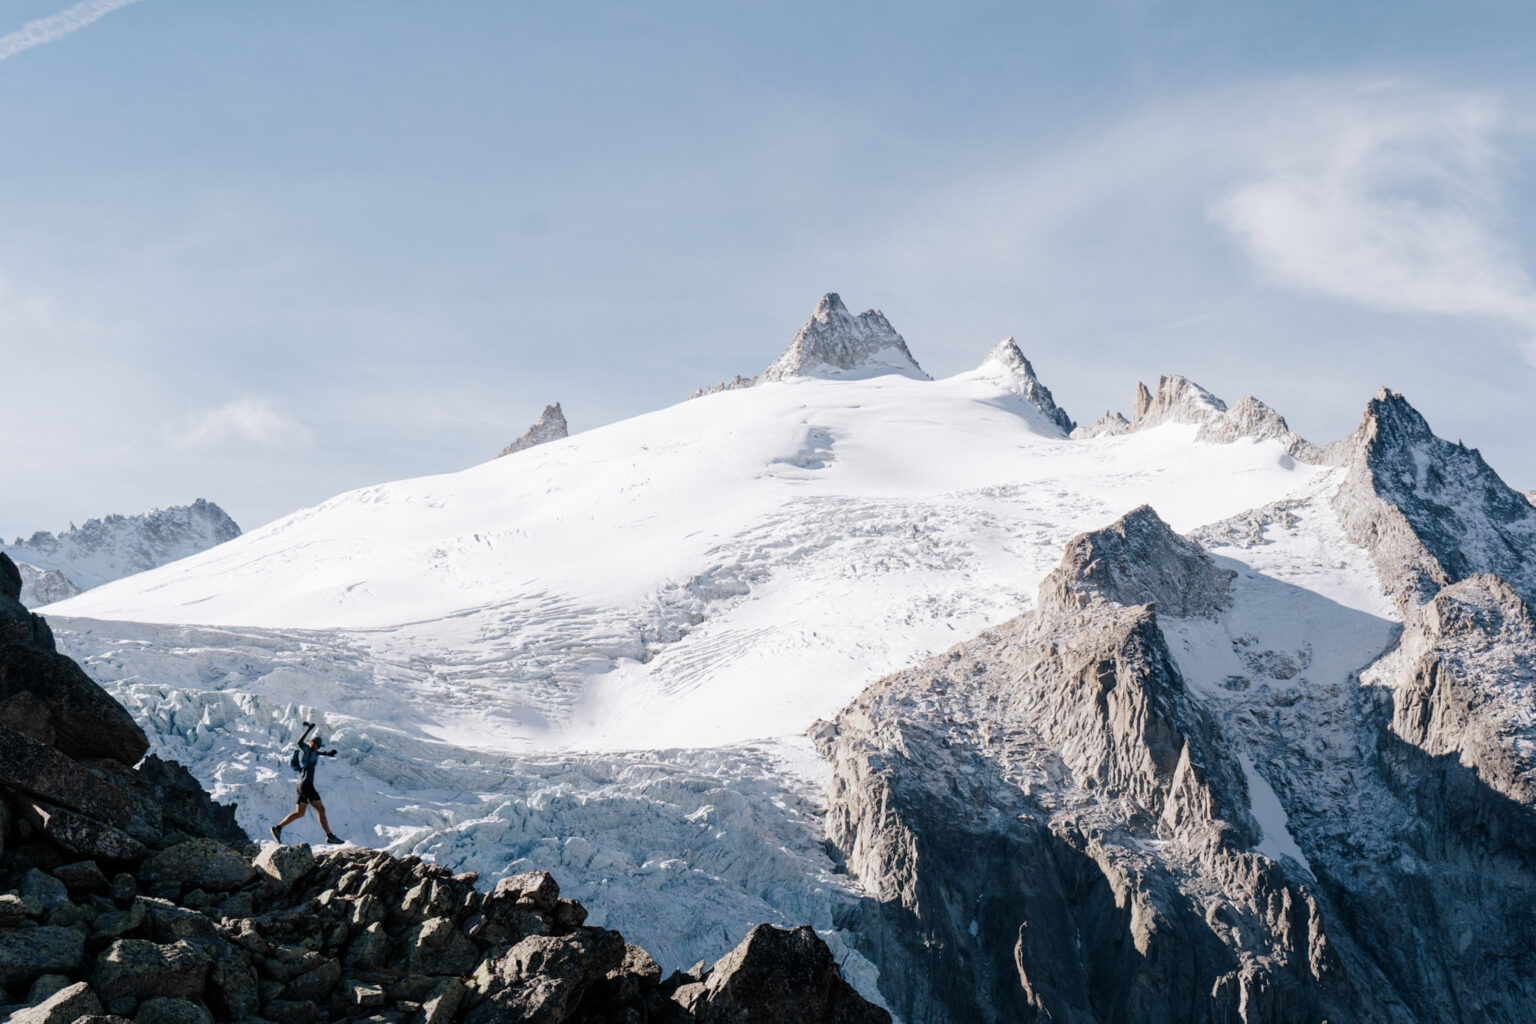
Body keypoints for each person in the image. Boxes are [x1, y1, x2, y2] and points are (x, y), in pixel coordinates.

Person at [271, 734, 343, 845]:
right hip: (307, 785)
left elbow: (317, 753)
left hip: (300, 785)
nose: (318, 748)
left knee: (300, 813)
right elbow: (300, 742)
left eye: (319, 746)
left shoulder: (313, 752)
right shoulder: (306, 750)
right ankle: (330, 836)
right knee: (321, 809)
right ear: (312, 743)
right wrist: (309, 729)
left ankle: (278, 828)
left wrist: (327, 753)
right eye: (317, 745)